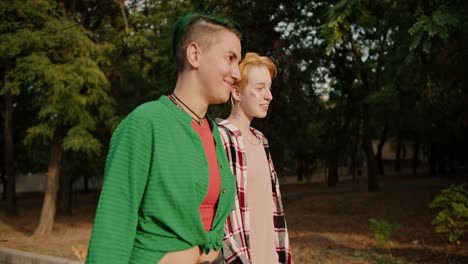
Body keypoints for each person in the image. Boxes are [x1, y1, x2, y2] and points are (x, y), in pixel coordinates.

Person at [86, 12, 244, 264]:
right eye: (230, 58)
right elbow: (114, 223)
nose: (237, 73)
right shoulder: (144, 123)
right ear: (195, 55)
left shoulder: (213, 132)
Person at [218, 52, 292, 264]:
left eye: (269, 88)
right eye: (259, 89)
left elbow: (273, 210)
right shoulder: (221, 138)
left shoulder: (261, 141)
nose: (269, 96)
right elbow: (218, 217)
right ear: (237, 92)